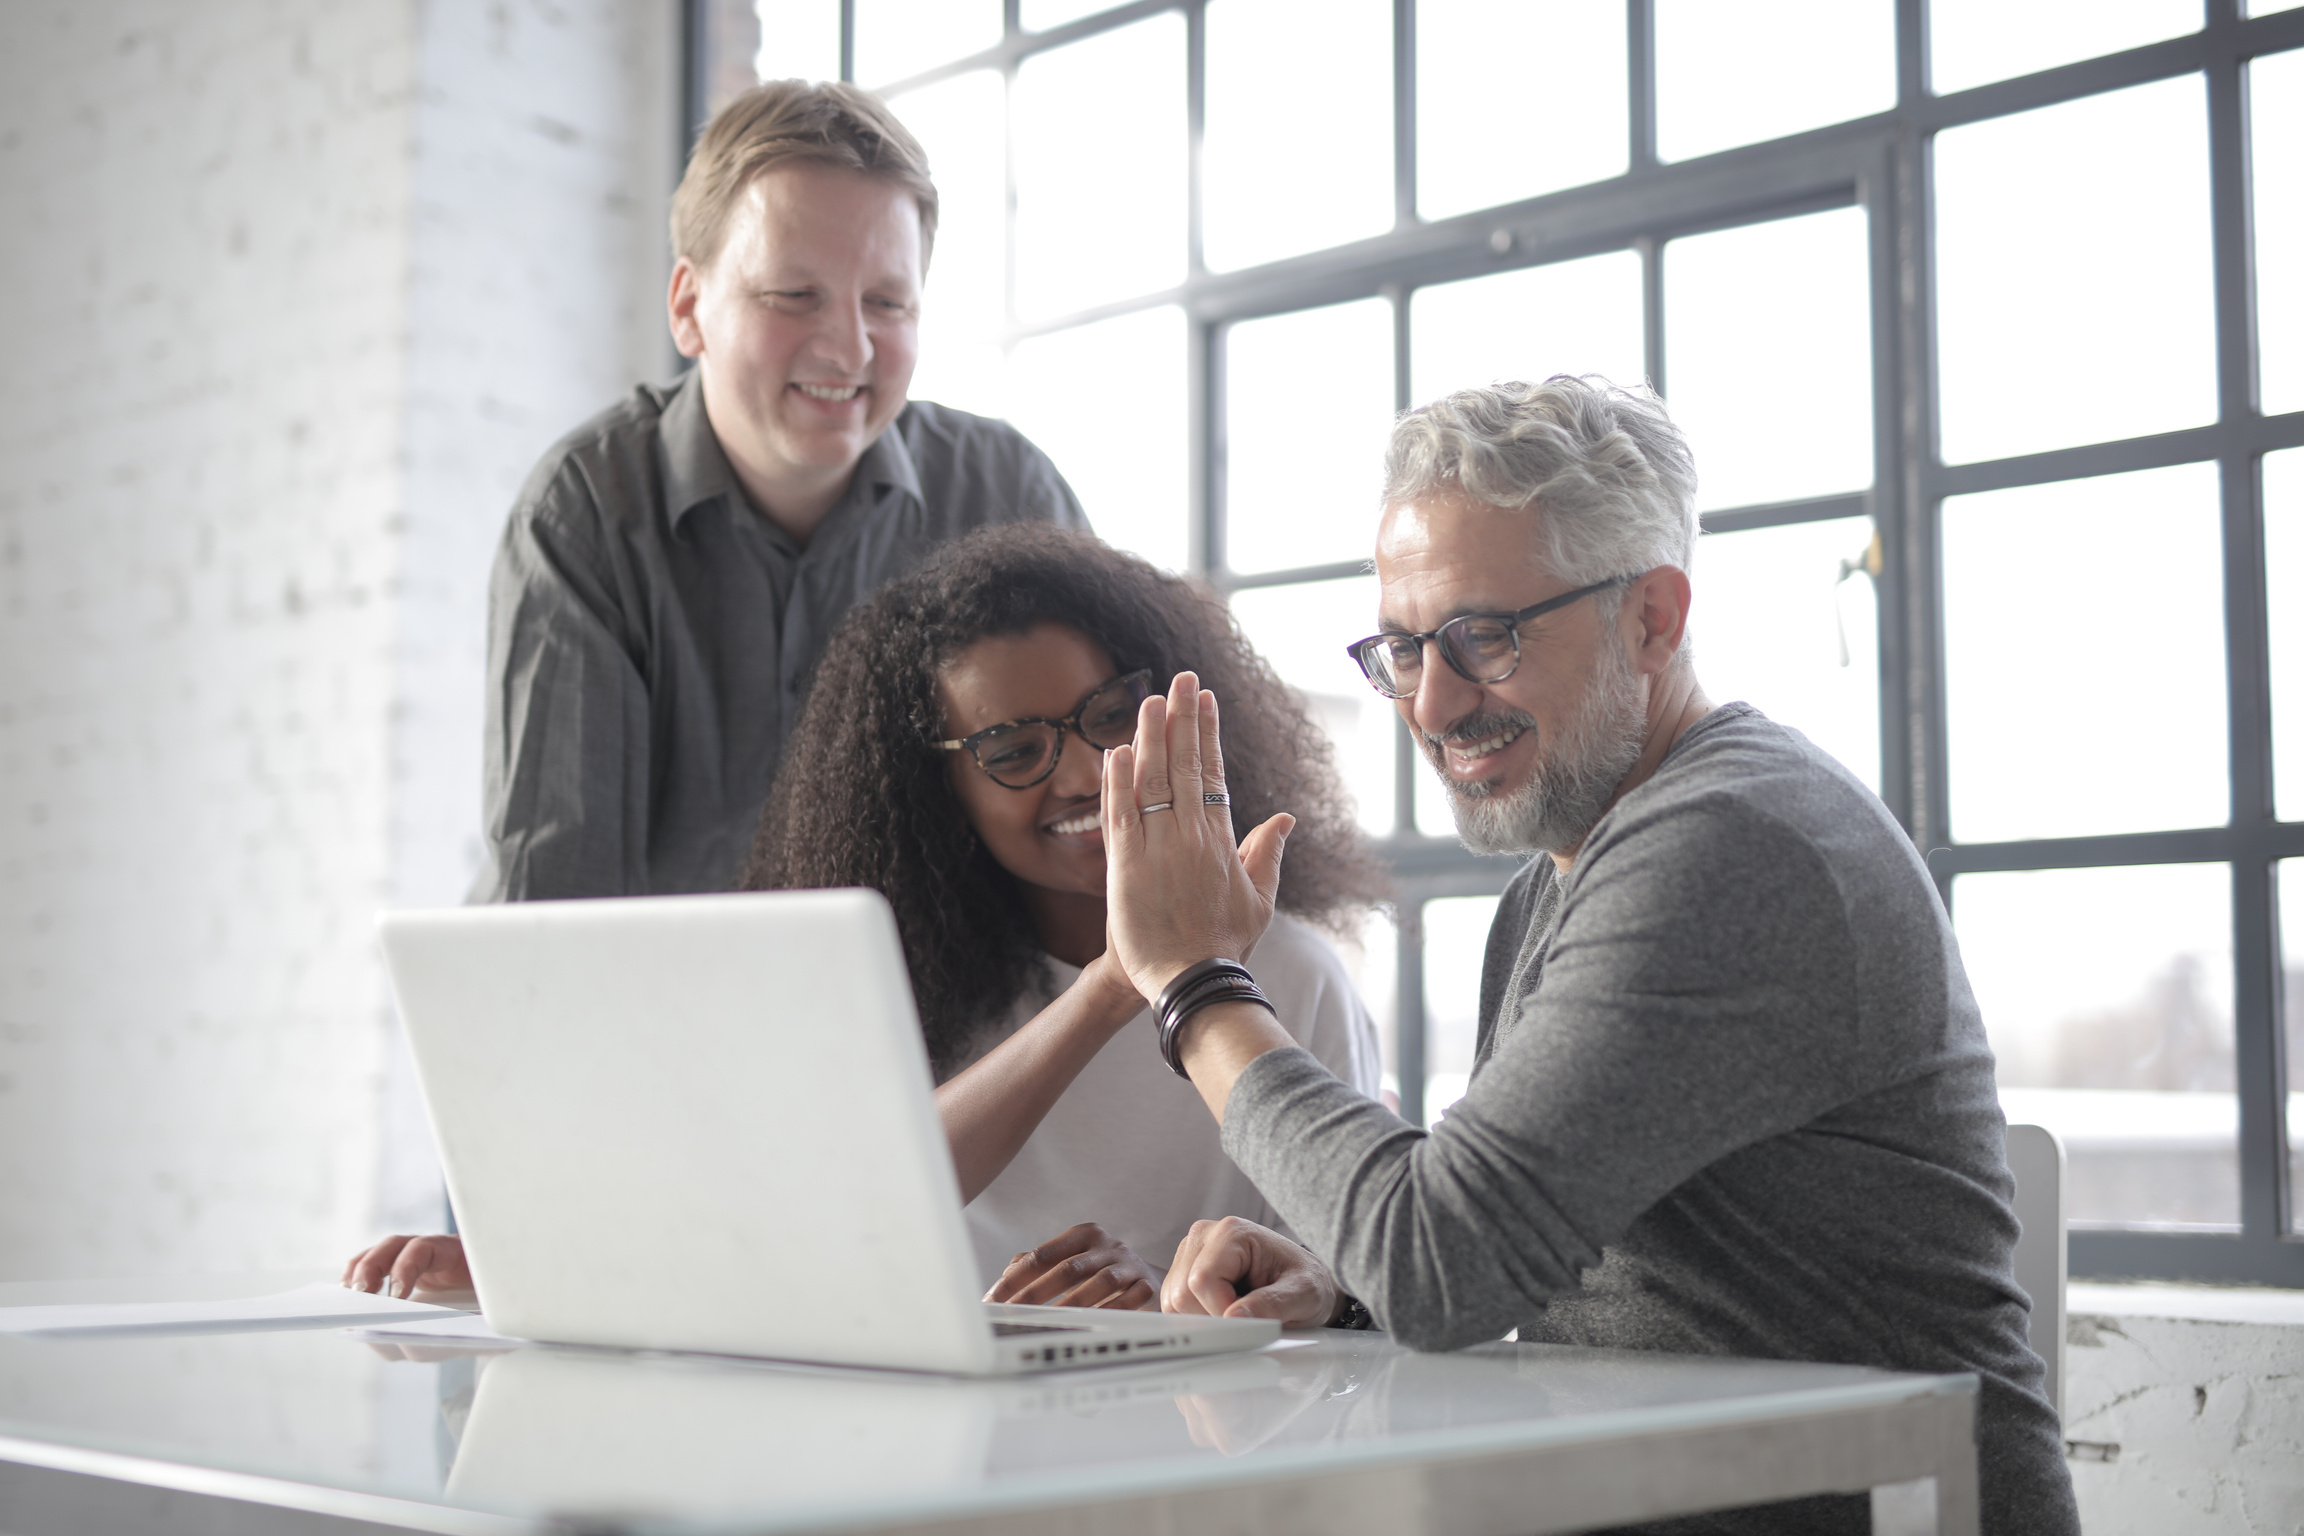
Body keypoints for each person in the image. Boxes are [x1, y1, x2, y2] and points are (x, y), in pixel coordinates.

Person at [1089, 379, 2081, 1533]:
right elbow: (1511, 1258)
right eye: (1403, 650)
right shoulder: (1556, 881)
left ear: (1653, 617)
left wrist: (1197, 987)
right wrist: (1347, 1291)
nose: (1434, 704)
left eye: (1483, 638)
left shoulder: (1732, 844)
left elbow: (1441, 1265)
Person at [346, 526, 1386, 1309]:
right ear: (939, 796)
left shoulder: (1287, 976)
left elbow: (1344, 1295)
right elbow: (804, 1222)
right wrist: (549, 1275)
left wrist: (1165, 1306)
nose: (1083, 773)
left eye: (1109, 717)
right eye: (1014, 750)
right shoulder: (897, 985)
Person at [474, 80, 1086, 903]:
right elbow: (557, 901)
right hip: (668, 1012)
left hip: (955, 1018)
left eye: (887, 302)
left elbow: (1094, 816)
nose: (849, 347)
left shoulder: (1005, 491)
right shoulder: (583, 518)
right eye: (794, 297)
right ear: (690, 309)